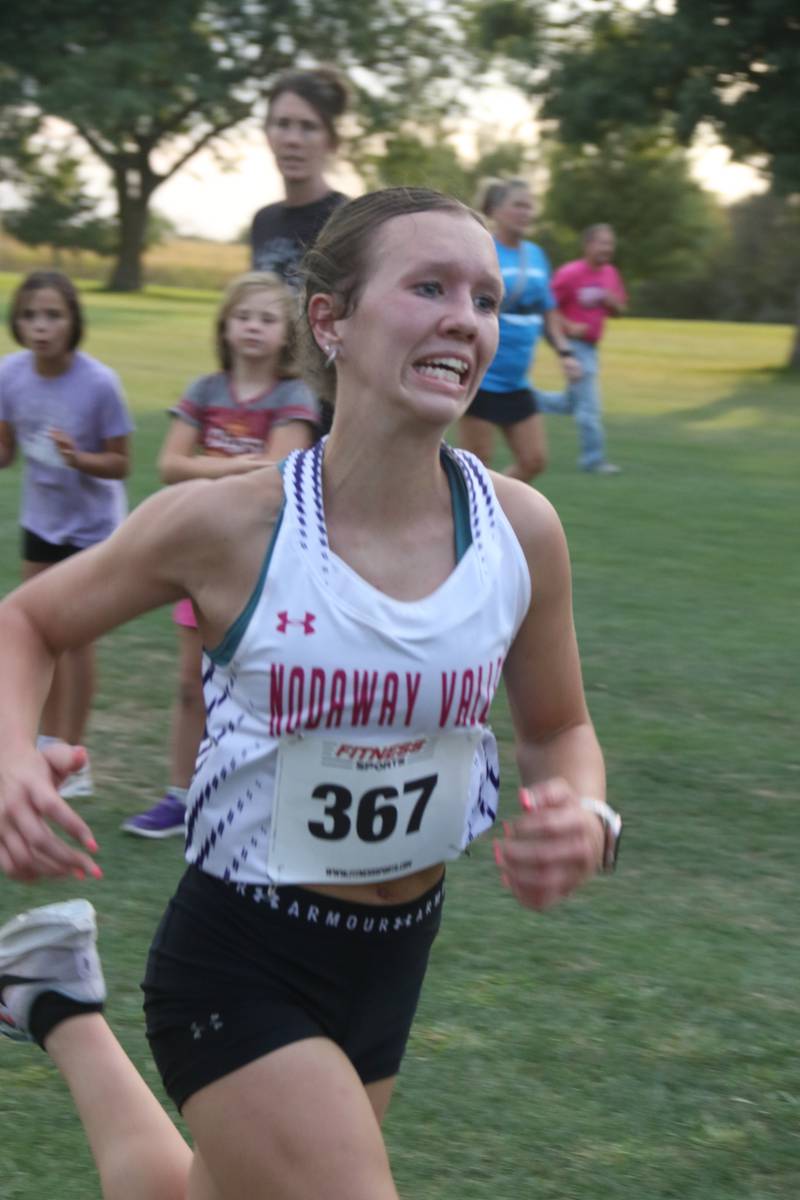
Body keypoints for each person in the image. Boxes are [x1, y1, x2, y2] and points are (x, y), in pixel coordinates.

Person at [0, 187, 622, 1200]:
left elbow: (559, 730)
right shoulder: (228, 524)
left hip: (393, 953)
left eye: (481, 298)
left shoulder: (522, 531)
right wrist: (10, 755)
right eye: (427, 286)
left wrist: (586, 814)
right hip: (240, 949)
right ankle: (56, 1000)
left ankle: (55, 1001)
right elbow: (26, 622)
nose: (464, 317)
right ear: (329, 321)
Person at [122, 271, 320, 838]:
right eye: (243, 317)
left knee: (270, 684)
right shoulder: (205, 390)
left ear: (287, 333)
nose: (253, 328)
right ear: (225, 326)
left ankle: (276, 793)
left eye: (267, 318)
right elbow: (168, 466)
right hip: (200, 559)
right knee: (192, 684)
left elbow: (281, 471)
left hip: (266, 563)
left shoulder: (293, 395)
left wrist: (210, 464)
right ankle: (181, 796)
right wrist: (242, 464)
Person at [0, 270, 133, 800]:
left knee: (75, 641)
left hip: (93, 528)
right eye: (31, 315)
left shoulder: (99, 383)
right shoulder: (9, 374)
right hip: (42, 521)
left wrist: (79, 458)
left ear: (74, 321)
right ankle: (43, 745)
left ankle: (75, 757)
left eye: (53, 315)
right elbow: (5, 451)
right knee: (37, 636)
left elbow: (122, 463)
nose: (41, 326)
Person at [459, 178, 581, 482]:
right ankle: (468, 520)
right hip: (482, 376)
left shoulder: (536, 255)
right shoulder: (482, 248)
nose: (526, 212)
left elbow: (548, 308)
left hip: (517, 381)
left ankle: (492, 514)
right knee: (477, 465)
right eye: (518, 205)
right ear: (496, 209)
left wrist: (565, 352)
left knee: (534, 460)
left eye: (530, 206)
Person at [534, 223, 627, 474]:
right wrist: (568, 325)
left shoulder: (610, 274)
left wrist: (612, 302)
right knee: (590, 407)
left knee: (571, 403)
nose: (608, 248)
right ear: (588, 245)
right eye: (602, 242)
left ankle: (524, 397)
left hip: (592, 346)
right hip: (573, 346)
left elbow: (620, 311)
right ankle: (593, 461)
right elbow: (546, 305)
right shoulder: (570, 273)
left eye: (610, 243)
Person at [251, 66, 349, 288]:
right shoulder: (263, 221)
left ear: (332, 141)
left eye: (309, 127)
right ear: (267, 133)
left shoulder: (349, 223)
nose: (293, 140)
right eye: (282, 124)